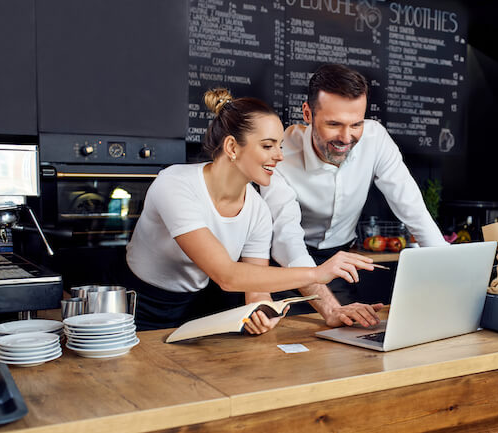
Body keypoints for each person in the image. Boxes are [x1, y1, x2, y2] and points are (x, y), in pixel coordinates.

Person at [123, 89, 376, 331]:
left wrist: (261, 310)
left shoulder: (257, 210)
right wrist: (318, 273)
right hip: (138, 307)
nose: (279, 157)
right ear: (232, 147)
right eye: (268, 146)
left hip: (198, 307)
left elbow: (256, 286)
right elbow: (227, 275)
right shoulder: (175, 184)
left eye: (280, 146)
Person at [260, 64, 447, 328]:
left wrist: (451, 274)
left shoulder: (375, 139)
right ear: (307, 113)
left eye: (356, 124)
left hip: (340, 263)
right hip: (284, 267)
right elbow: (286, 239)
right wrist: (329, 309)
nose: (346, 137)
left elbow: (412, 208)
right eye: (334, 124)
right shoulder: (280, 155)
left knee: (345, 344)